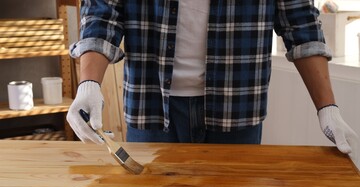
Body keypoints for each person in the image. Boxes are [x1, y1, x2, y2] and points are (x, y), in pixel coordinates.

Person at [66, 1, 358, 160]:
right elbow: (102, 12)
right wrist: (89, 83)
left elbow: (300, 22)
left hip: (237, 110)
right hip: (151, 107)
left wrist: (326, 107)